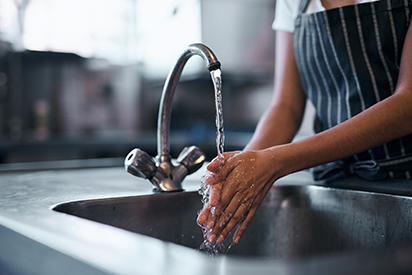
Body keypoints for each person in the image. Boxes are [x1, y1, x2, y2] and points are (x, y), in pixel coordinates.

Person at [197, 0, 412, 246]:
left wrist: (276, 161)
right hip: (336, 185)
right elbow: (286, 107)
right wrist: (243, 170)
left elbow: (407, 105)